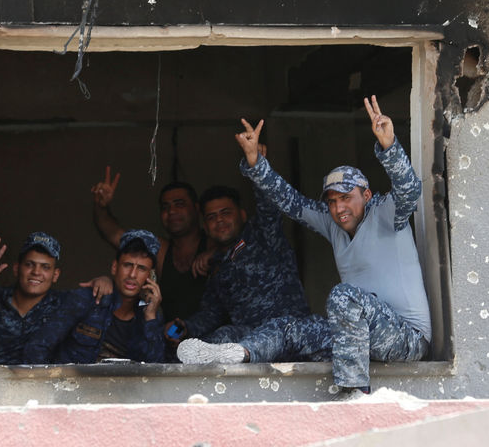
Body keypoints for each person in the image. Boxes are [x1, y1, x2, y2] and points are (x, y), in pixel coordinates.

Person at [178, 96, 431, 394]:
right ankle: (239, 353)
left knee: (343, 296)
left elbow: (410, 190)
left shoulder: (387, 212)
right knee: (290, 327)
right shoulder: (333, 222)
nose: (339, 209)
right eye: (333, 201)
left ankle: (354, 393)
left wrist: (389, 146)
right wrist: (255, 163)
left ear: (366, 195)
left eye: (346, 197)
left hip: (406, 338)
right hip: (356, 337)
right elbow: (290, 201)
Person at [170, 173, 311, 346]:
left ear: (243, 215)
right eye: (211, 217)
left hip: (290, 332)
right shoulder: (218, 265)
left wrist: (257, 166)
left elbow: (268, 208)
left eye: (225, 213)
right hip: (250, 340)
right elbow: (211, 313)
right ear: (205, 227)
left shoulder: (264, 236)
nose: (219, 220)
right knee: (217, 338)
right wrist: (179, 328)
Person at [23, 230, 165, 364]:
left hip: (122, 390)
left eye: (141, 268)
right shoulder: (87, 299)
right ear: (114, 267)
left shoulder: (150, 318)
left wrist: (151, 317)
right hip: (72, 387)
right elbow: (38, 347)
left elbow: (156, 372)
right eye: (127, 265)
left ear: (150, 276)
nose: (132, 275)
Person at [91, 167, 209, 321]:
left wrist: (216, 253)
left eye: (179, 204)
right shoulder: (161, 250)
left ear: (196, 208)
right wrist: (101, 207)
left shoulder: (214, 245)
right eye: (165, 207)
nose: (171, 211)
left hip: (220, 340)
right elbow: (113, 234)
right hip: (174, 337)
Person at [0, 232, 113, 365]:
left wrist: (105, 281)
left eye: (45, 267)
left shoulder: (64, 305)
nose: (36, 272)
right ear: (16, 269)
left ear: (55, 275)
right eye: (29, 264)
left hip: (42, 384)